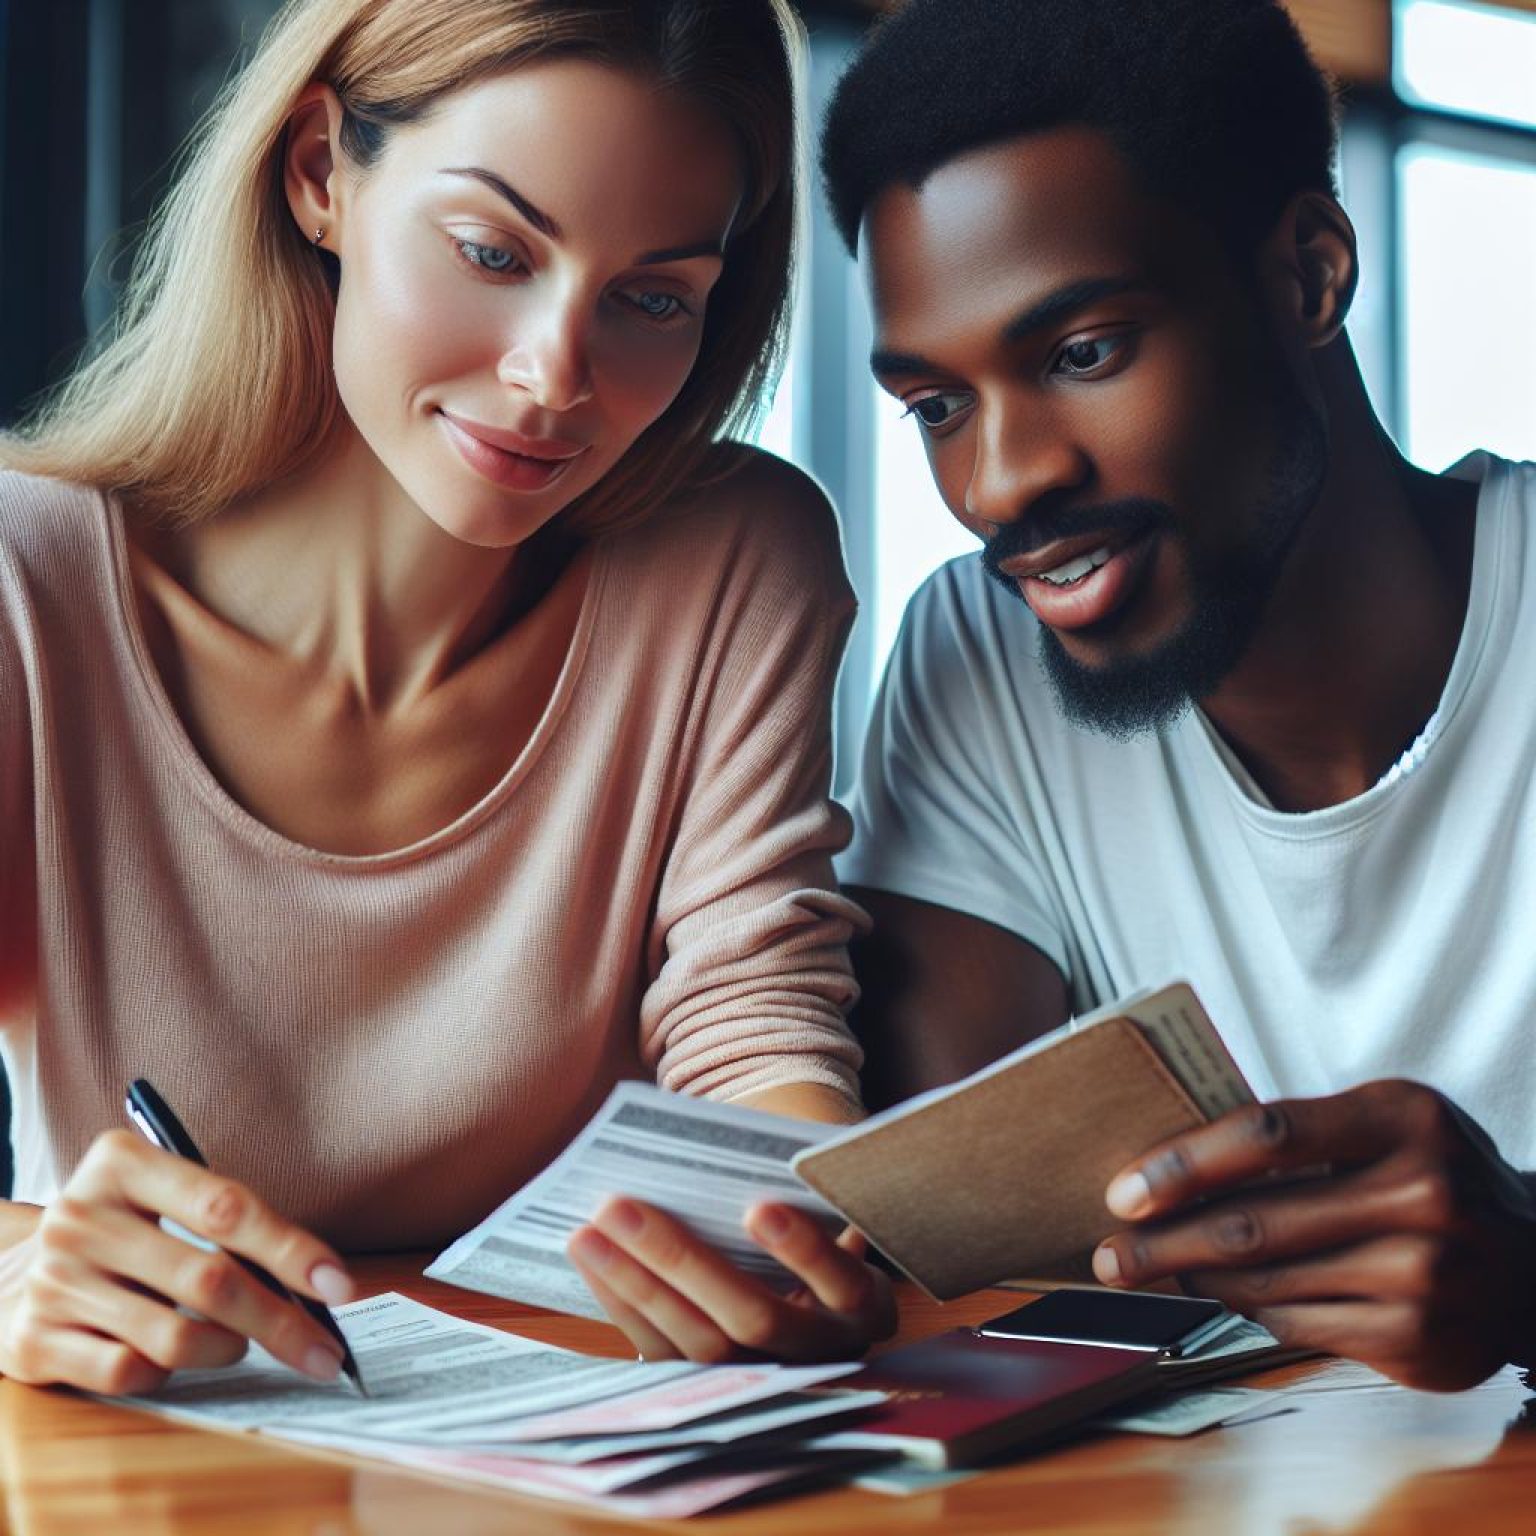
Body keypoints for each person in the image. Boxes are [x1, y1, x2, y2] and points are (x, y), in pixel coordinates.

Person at [0, 0, 895, 1395]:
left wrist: (793, 1238)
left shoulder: (736, 559)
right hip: (150, 1458)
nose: (554, 377)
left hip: (582, 1457)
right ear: (319, 176)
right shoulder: (23, 587)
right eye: (492, 252)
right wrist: (12, 1266)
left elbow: (757, 1026)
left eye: (652, 297)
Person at [821, 0, 1536, 1391]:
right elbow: (949, 1262)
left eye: (1082, 353)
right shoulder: (980, 661)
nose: (1003, 483)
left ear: (1310, 273)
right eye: (937, 409)